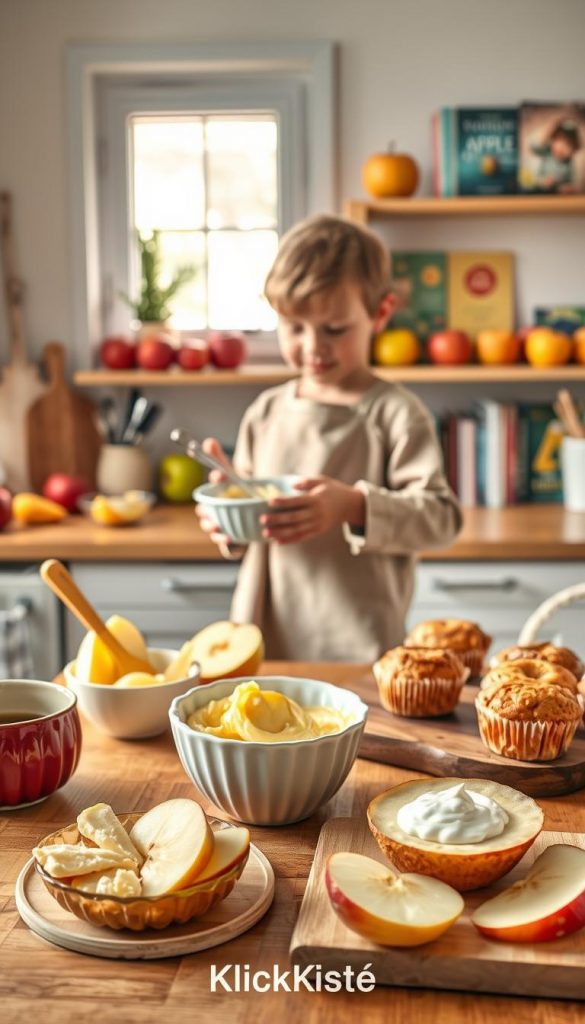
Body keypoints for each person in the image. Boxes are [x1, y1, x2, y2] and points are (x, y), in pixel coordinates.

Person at [196, 215, 462, 661]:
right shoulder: (266, 412)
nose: (313, 346)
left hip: (360, 647)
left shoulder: (395, 413)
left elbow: (441, 519)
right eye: (294, 327)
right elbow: (250, 527)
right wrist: (227, 516)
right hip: (264, 642)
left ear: (380, 314)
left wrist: (353, 505)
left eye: (334, 329)